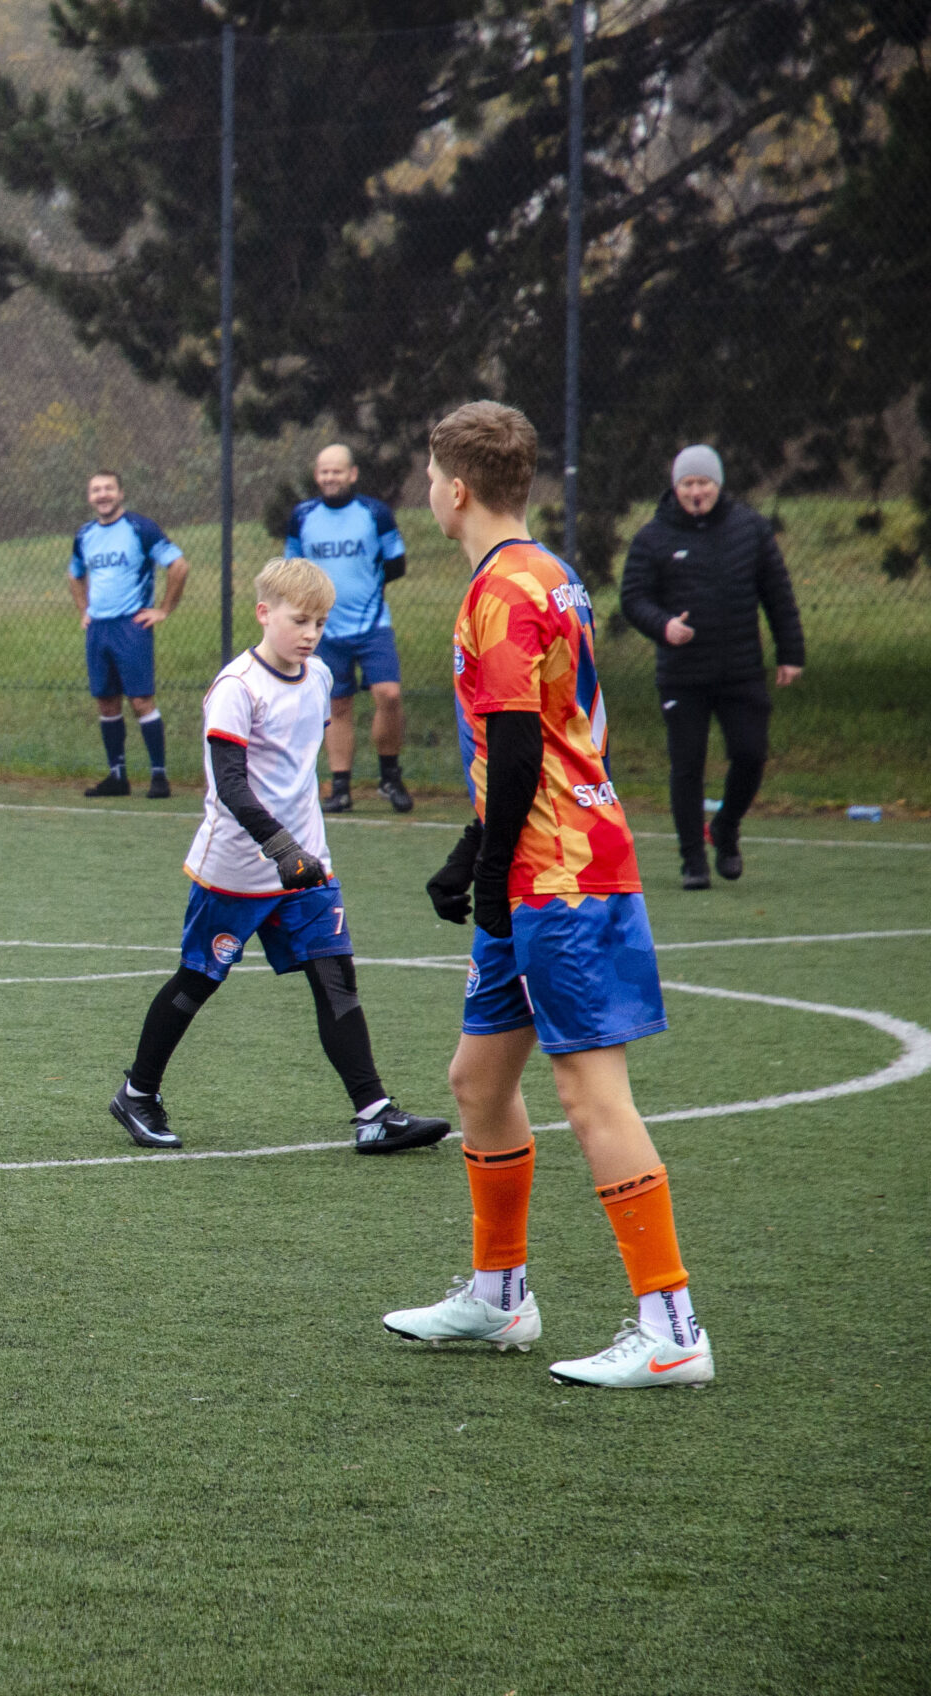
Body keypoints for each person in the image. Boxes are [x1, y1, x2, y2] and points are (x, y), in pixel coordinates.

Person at [390, 400, 712, 1390]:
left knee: (590, 1094)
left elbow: (524, 742)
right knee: (478, 1082)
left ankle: (671, 1327)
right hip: (540, 858)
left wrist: (493, 869)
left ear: (455, 489)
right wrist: (475, 848)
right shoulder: (550, 573)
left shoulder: (500, 589)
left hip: (559, 878)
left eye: (428, 479)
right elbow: (561, 732)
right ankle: (500, 1296)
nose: (427, 493)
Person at [108, 556, 450, 1157]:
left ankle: (375, 1113)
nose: (311, 634)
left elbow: (294, 771)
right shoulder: (236, 688)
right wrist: (280, 846)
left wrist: (300, 849)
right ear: (264, 613)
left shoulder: (319, 677)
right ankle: (137, 1093)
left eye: (320, 622)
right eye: (300, 621)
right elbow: (231, 786)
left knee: (335, 978)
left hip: (307, 865)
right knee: (198, 979)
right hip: (237, 870)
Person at [617, 444, 805, 888]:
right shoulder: (653, 537)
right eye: (687, 484)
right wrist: (664, 626)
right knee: (687, 765)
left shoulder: (750, 529)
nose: (696, 492)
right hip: (682, 675)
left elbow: (777, 593)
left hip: (741, 670)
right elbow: (633, 598)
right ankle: (693, 861)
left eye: (703, 483)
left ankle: (725, 826)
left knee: (750, 754)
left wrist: (791, 652)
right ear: (675, 487)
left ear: (717, 485)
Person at [283, 443, 414, 813]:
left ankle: (389, 776)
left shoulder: (376, 514)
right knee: (337, 705)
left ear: (352, 474)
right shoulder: (302, 516)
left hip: (372, 625)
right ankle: (340, 787)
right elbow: (293, 570)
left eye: (337, 471)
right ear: (316, 475)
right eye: (324, 471)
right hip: (324, 629)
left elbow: (396, 563)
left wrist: (365, 590)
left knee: (389, 695)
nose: (330, 477)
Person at [68, 469, 189, 797]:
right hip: (99, 629)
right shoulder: (85, 534)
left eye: (108, 488)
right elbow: (74, 573)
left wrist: (163, 609)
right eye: (96, 490)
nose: (102, 495)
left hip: (131, 626)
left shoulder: (140, 528)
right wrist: (84, 611)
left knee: (140, 701)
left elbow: (179, 566)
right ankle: (117, 777)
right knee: (107, 702)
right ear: (89, 497)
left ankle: (159, 776)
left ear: (120, 494)